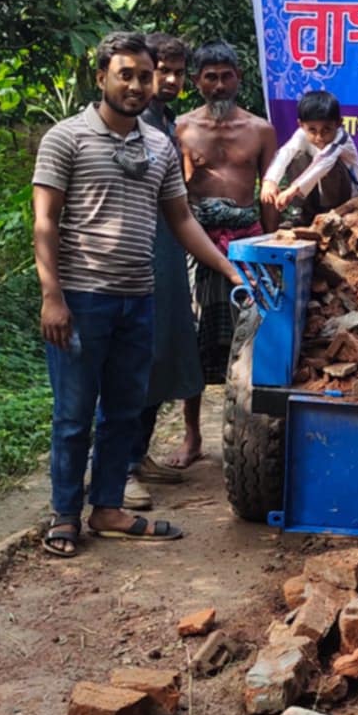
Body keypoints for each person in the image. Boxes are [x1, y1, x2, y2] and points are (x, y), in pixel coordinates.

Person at [32, 31, 244, 557]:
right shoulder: (66, 139)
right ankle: (64, 515)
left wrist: (230, 269)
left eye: (144, 76)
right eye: (125, 74)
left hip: (138, 299)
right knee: (74, 413)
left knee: (125, 411)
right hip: (83, 299)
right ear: (102, 76)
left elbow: (181, 220)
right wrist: (51, 296)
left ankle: (107, 508)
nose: (136, 85)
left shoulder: (158, 147)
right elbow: (44, 223)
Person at [167, 41, 278, 467]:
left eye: (225, 76)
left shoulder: (260, 130)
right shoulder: (180, 128)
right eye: (209, 77)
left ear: (239, 78)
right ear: (196, 82)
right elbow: (172, 195)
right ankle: (192, 436)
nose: (218, 85)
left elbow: (268, 193)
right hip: (196, 242)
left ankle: (248, 433)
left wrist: (272, 248)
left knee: (251, 338)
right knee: (191, 340)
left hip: (247, 242)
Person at [114, 32, 202, 508]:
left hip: (166, 250)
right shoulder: (130, 124)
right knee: (134, 359)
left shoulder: (163, 122)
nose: (166, 80)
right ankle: (119, 469)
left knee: (161, 350)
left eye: (174, 71)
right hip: (134, 255)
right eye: (156, 71)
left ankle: (137, 452)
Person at [262, 90, 358, 225]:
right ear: (301, 125)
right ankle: (304, 213)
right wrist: (270, 181)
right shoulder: (301, 135)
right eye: (312, 130)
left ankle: (330, 215)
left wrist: (293, 189)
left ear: (339, 123)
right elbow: (285, 153)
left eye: (326, 130)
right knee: (298, 157)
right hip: (314, 199)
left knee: (330, 163)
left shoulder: (341, 138)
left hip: (343, 200)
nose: (319, 137)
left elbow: (324, 161)